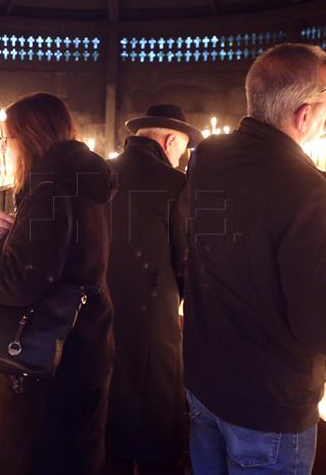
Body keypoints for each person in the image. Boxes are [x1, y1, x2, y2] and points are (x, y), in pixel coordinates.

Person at [181, 43, 326, 474]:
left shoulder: (208, 157)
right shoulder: (308, 194)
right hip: (266, 409)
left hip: (204, 383)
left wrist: (303, 158)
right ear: (304, 115)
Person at [0, 92, 116, 475]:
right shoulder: (82, 180)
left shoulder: (49, 190)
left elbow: (20, 282)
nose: (3, 148)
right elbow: (61, 257)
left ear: (27, 138)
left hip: (47, 367)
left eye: (6, 139)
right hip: (83, 350)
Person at [105, 104, 202, 475]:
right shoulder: (177, 185)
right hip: (153, 325)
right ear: (171, 139)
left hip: (98, 316)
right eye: (182, 149)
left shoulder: (101, 175)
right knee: (155, 421)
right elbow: (187, 262)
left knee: (108, 415)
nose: (181, 157)